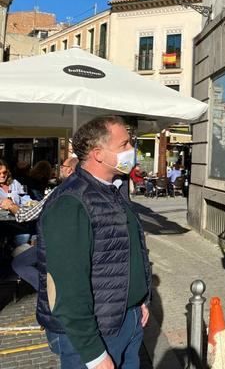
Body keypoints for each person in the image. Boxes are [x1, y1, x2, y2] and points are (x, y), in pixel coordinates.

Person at [36, 115, 151, 369]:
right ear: (98, 154)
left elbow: (125, 253)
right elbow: (67, 287)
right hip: (94, 334)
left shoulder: (114, 190)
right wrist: (94, 354)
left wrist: (140, 300)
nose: (132, 151)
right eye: (124, 145)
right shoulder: (70, 202)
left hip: (127, 321)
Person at [11, 157, 79, 289]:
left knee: (19, 263)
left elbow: (25, 215)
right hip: (75, 242)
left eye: (62, 166)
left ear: (70, 170)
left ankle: (48, 292)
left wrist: (11, 206)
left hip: (56, 243)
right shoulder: (84, 188)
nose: (60, 169)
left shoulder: (59, 190)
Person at [0, 160, 33, 245]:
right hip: (2, 221)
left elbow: (25, 199)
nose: (3, 175)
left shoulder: (14, 183)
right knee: (24, 235)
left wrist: (32, 203)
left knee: (30, 232)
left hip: (16, 218)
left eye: (4, 172)